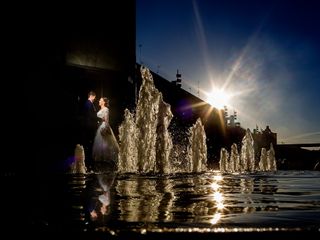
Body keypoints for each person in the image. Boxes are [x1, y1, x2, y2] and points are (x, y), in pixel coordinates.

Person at [92, 97, 119, 171]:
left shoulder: (106, 109)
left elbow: (107, 120)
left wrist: (105, 129)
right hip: (100, 126)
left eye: (100, 100)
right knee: (100, 146)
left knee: (106, 145)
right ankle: (101, 165)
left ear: (103, 102)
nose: (99, 101)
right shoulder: (101, 109)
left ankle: (108, 164)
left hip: (103, 126)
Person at [82, 91, 99, 171]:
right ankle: (88, 161)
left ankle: (89, 160)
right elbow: (90, 115)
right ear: (92, 96)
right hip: (89, 126)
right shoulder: (88, 104)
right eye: (94, 97)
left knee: (90, 143)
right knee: (89, 143)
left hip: (90, 126)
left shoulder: (88, 104)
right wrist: (98, 119)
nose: (95, 99)